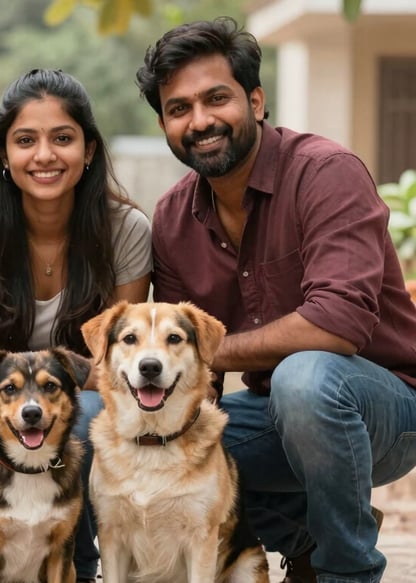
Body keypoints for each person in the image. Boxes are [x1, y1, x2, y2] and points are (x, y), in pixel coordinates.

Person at [137, 16, 416, 583]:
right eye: (179, 108)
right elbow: (187, 370)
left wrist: (208, 354)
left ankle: (349, 571)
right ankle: (305, 544)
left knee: (305, 377)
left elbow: (337, 324)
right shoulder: (171, 217)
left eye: (217, 98)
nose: (200, 121)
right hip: (279, 416)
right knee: (166, 442)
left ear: (256, 100)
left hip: (390, 410)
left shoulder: (324, 173)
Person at [0, 68, 151, 582]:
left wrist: (49, 408)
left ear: (90, 150)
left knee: (84, 415)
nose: (45, 155)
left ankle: (78, 565)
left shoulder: (126, 230)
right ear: (4, 155)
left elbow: (114, 369)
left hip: (76, 407)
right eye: (25, 140)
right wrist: (1, 436)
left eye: (63, 138)